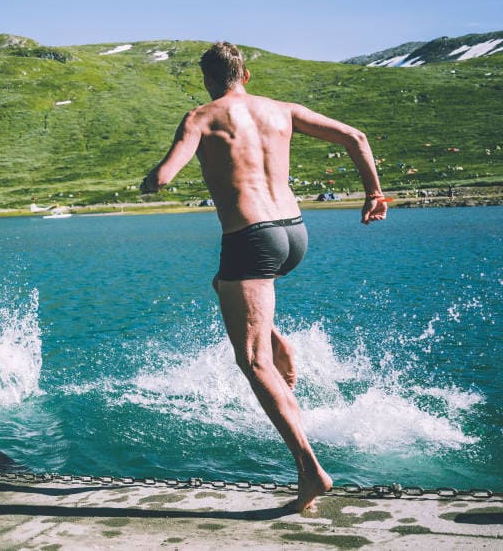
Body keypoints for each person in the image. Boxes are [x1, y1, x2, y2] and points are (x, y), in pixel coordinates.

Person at [140, 41, 389, 512]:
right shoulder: (283, 111)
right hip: (294, 234)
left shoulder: (201, 117)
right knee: (224, 286)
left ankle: (309, 469)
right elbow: (356, 137)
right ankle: (277, 339)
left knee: (253, 363)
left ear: (206, 79)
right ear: (246, 75)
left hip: (251, 238)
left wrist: (151, 179)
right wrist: (374, 193)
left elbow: (166, 176)